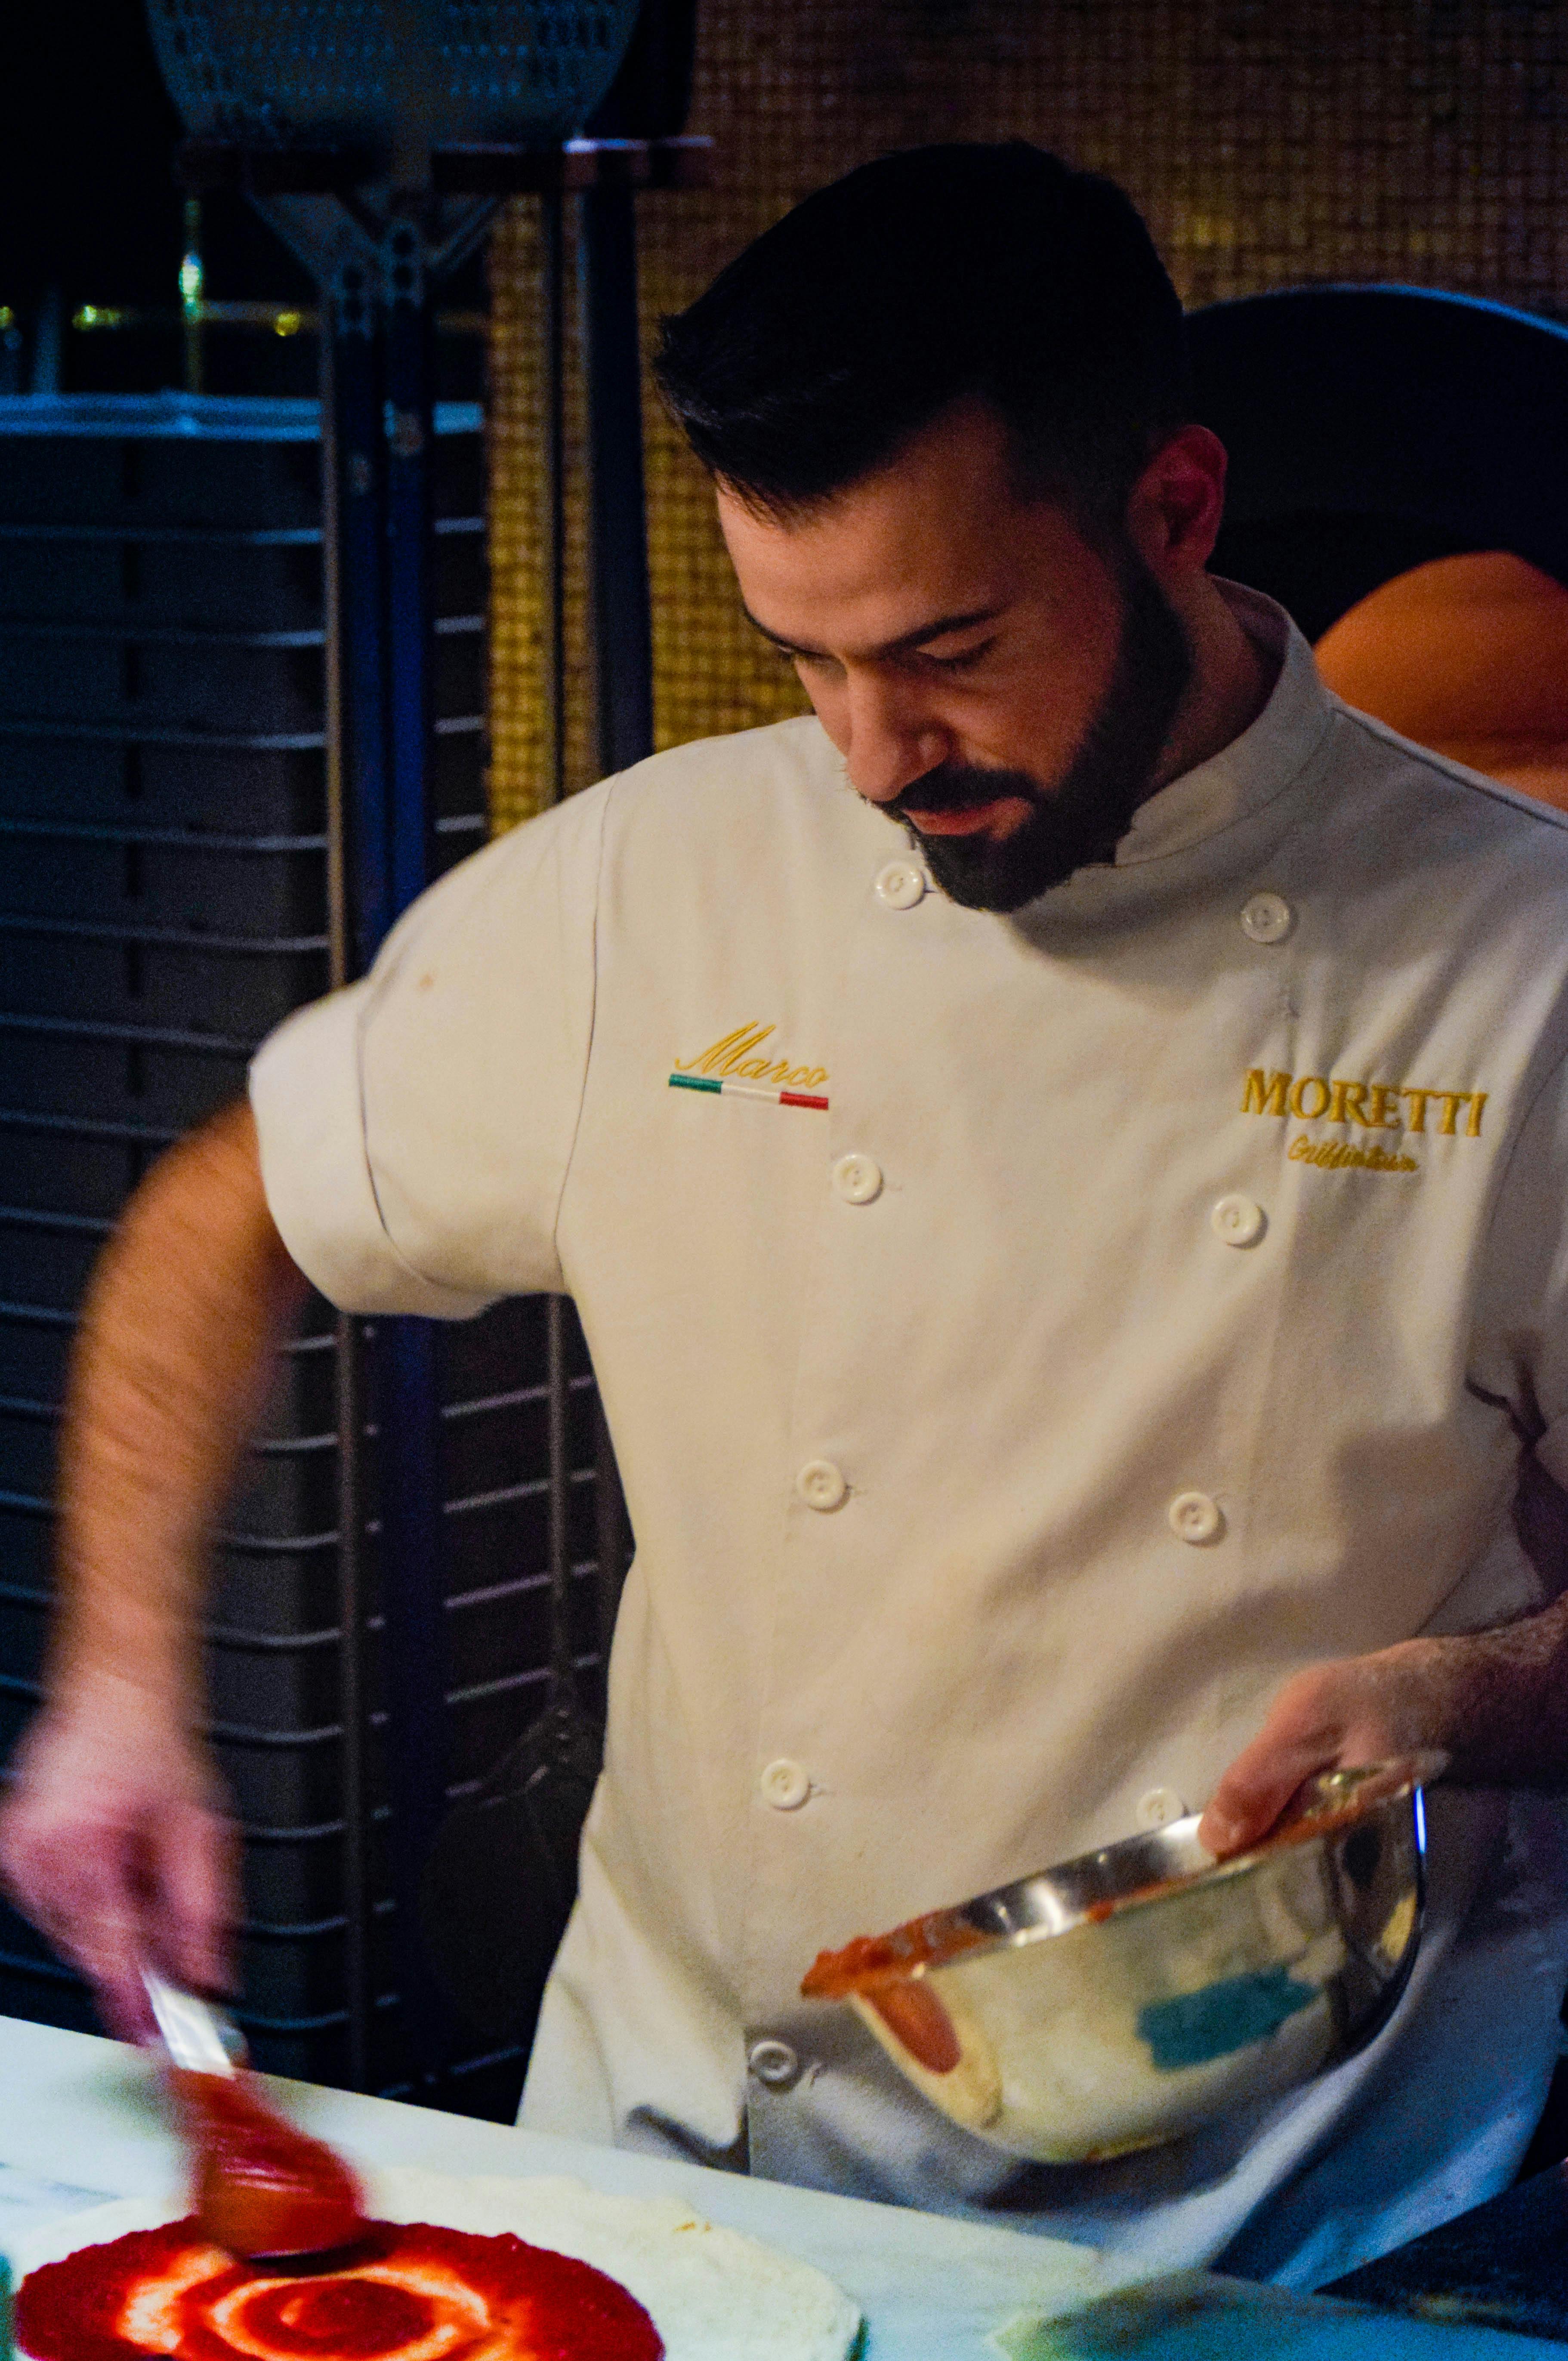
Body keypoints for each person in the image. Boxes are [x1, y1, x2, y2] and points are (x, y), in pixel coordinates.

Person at [5, 140, 1568, 2288]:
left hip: (1267, 2246)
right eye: (802, 658)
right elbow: (231, 1203)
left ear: (1174, 511)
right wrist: (115, 1685)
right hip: (668, 2183)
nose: (863, 754)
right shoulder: (663, 886)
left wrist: (1456, 1704)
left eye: (943, 650)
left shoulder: (1524, 965)